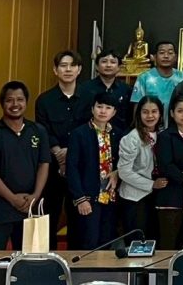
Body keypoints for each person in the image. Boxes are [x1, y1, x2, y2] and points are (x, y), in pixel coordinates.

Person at [0, 81, 51, 249]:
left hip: (31, 208)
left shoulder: (38, 131)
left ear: (26, 102)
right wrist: (12, 199)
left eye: (20, 99)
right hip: (0, 211)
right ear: (2, 103)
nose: (15, 104)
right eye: (9, 100)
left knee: (29, 259)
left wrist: (35, 195)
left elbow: (44, 163)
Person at [35, 49, 91, 249]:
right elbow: (42, 130)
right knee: (49, 215)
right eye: (63, 66)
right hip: (52, 167)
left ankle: (75, 261)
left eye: (72, 65)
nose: (68, 69)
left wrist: (71, 152)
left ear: (79, 70)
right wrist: (58, 151)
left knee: (78, 217)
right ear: (55, 70)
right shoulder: (44, 100)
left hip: (81, 167)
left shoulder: (90, 97)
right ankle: (48, 260)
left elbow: (90, 128)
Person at [66, 91, 122, 249]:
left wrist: (117, 172)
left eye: (108, 107)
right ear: (92, 109)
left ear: (114, 112)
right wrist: (80, 199)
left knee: (107, 242)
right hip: (88, 197)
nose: (103, 111)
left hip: (110, 197)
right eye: (99, 106)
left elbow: (123, 162)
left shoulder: (118, 134)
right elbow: (72, 168)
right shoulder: (79, 134)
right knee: (88, 242)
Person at [154, 92, 183, 250]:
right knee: (168, 245)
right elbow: (165, 165)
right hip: (171, 198)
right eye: (180, 111)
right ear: (172, 113)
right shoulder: (165, 136)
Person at [117, 95, 166, 240]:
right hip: (135, 197)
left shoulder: (162, 134)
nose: (150, 116)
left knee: (153, 240)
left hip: (155, 196)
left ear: (160, 113)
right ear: (138, 114)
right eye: (145, 112)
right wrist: (151, 184)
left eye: (154, 111)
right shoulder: (132, 137)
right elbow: (124, 172)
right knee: (136, 242)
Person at [131, 40, 183, 126]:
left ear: (175, 57)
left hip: (177, 127)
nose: (166, 56)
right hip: (150, 126)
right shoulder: (144, 78)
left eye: (170, 53)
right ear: (154, 57)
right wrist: (139, 127)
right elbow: (137, 106)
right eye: (162, 53)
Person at [80, 50, 133, 131]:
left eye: (113, 62)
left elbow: (130, 117)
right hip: (90, 134)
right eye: (104, 61)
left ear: (119, 67)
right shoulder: (85, 88)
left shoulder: (126, 89)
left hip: (119, 135)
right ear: (97, 66)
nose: (108, 65)